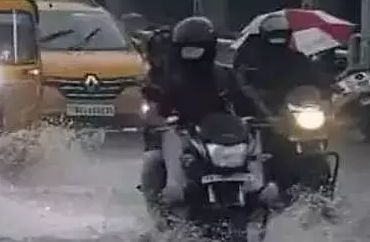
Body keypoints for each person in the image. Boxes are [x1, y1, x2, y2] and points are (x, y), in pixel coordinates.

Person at [228, 11, 332, 204]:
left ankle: (321, 197)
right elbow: (239, 85)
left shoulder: (298, 59)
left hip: (292, 114)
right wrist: (253, 102)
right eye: (274, 34)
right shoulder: (250, 60)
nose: (278, 39)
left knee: (315, 145)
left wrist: (326, 95)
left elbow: (318, 81)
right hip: (260, 116)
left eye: (282, 34)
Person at [139, 16, 235, 206]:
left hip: (220, 139)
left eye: (198, 49)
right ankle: (161, 211)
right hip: (186, 136)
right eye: (187, 49)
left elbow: (244, 102)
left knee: (257, 155)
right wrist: (158, 118)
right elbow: (159, 108)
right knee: (153, 161)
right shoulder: (171, 78)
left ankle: (260, 191)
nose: (193, 55)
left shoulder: (225, 75)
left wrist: (261, 117)